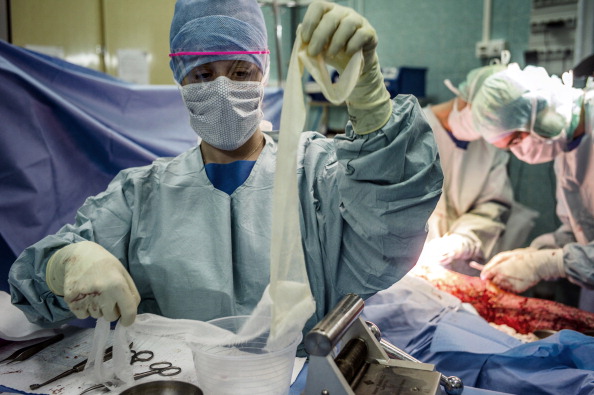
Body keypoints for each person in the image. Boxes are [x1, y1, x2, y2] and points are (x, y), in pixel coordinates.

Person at [8, 0, 442, 334]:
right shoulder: (140, 197)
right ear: (179, 76)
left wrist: (370, 105)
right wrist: (63, 266)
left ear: (263, 71)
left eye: (240, 72)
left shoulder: (317, 174)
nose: (222, 88)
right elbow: (31, 288)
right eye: (202, 75)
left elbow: (391, 234)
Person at [471, 63, 594, 311]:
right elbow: (582, 229)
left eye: (516, 140)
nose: (519, 152)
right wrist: (539, 252)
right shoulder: (568, 149)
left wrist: (552, 264)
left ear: (541, 113)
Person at [418, 65, 535, 274]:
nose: (488, 131)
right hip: (408, 266)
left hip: (459, 267)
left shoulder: (490, 146)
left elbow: (493, 204)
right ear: (468, 99)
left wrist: (463, 240)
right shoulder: (413, 132)